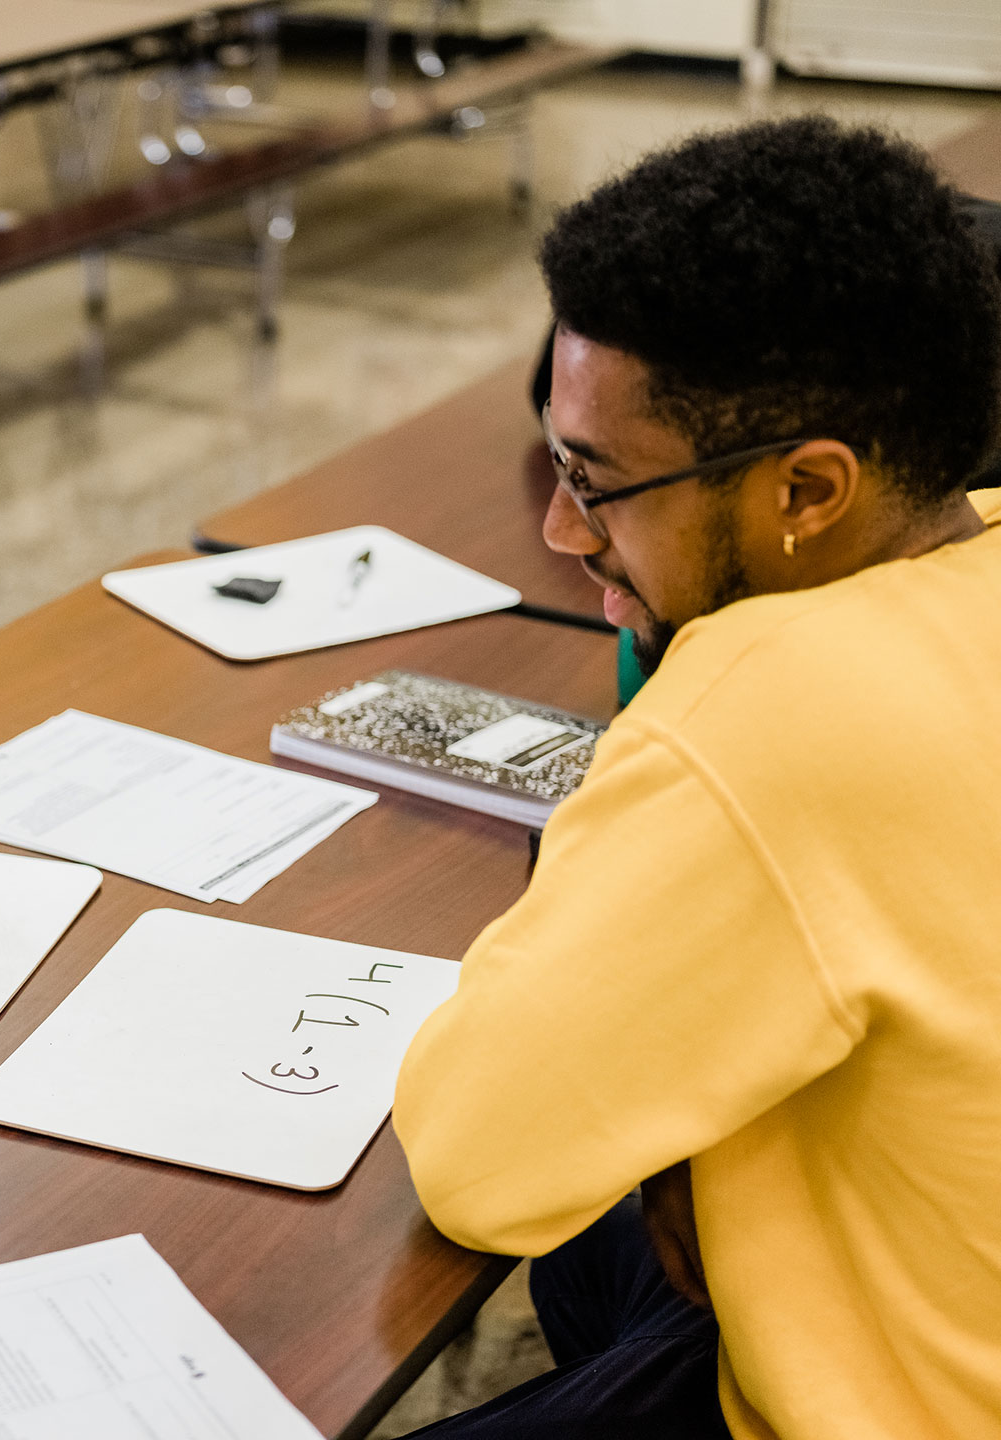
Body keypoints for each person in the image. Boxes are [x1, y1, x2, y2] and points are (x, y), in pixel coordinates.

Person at [393, 116, 1001, 1439]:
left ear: (809, 490)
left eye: (595, 483)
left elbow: (474, 1161)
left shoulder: (769, 703)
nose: (561, 533)